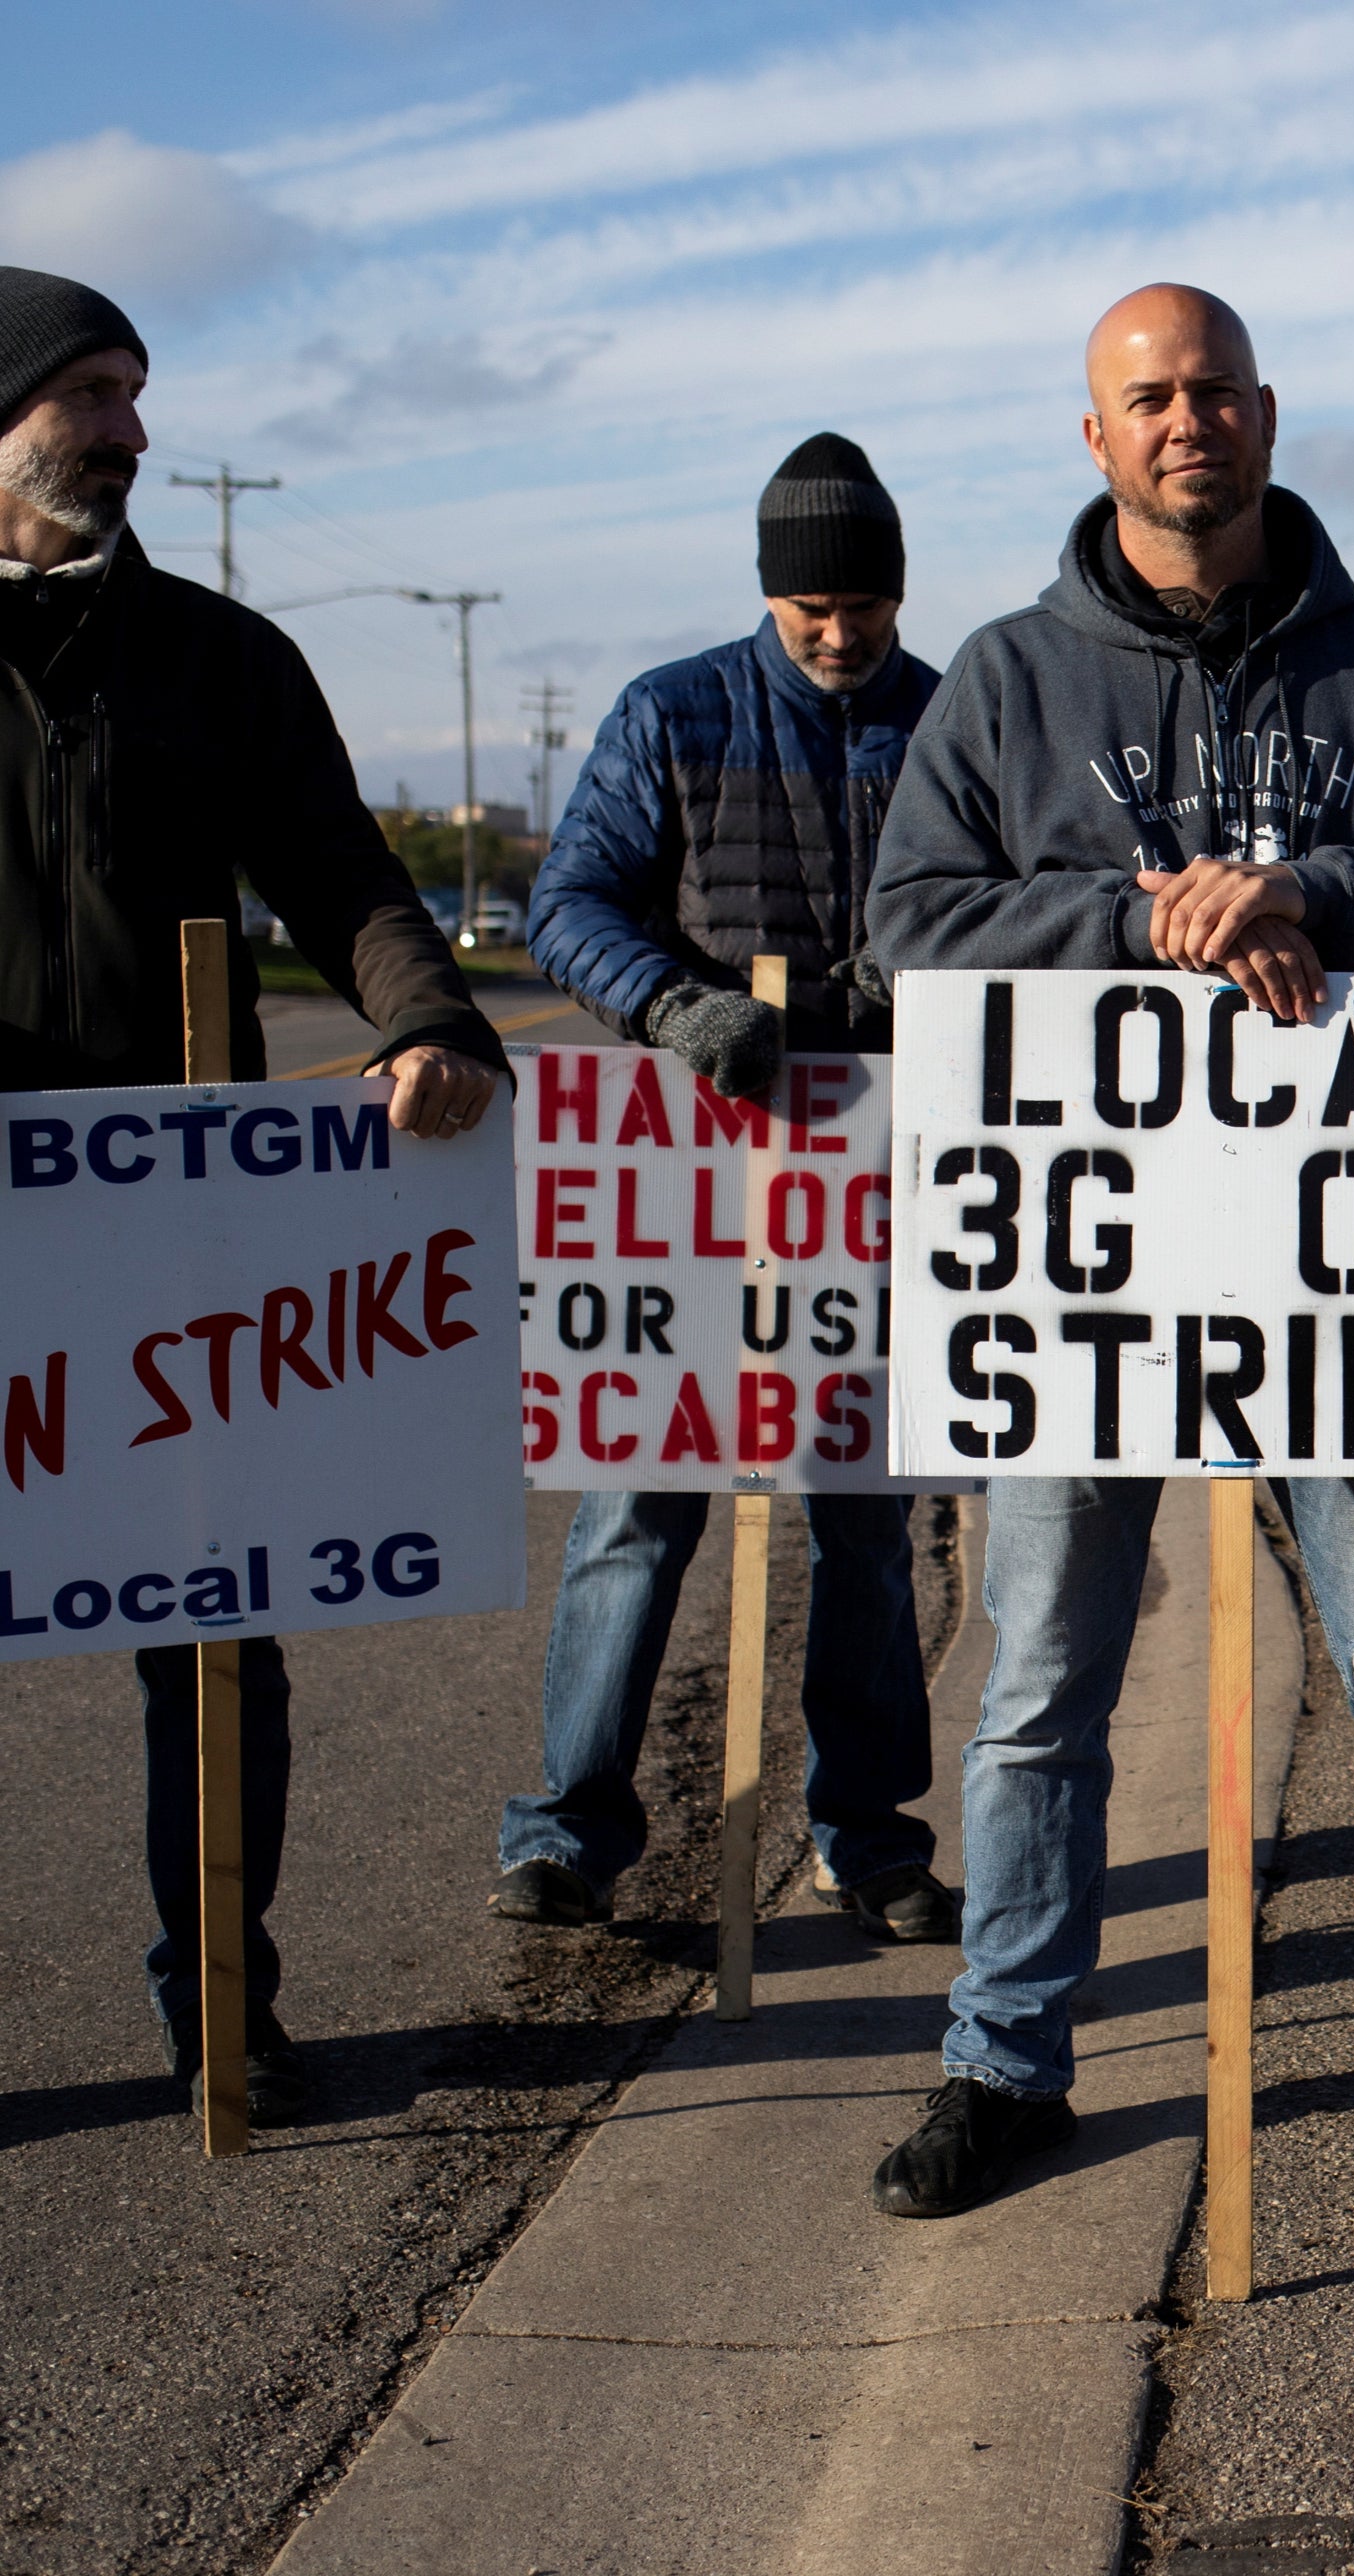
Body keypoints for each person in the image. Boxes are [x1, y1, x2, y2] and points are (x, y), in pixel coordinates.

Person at [863, 287, 1354, 2213]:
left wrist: (1314, 889)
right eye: (1147, 398)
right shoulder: (1011, 678)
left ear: (1266, 416)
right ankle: (1005, 2054)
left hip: (1338, 1273)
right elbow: (912, 927)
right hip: (1084, 1283)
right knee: (1038, 1683)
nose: (1187, 422)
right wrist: (1145, 914)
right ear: (1094, 437)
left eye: (1214, 392)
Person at [0, 268, 508, 2127]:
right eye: (87, 397)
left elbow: (348, 878)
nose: (129, 431)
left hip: (171, 1232)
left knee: (214, 1624)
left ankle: (219, 1992)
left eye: (136, 394)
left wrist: (432, 1022)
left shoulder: (222, 657)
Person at [495, 435, 955, 1944]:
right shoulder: (671, 711)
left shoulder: (952, 721)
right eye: (815, 603)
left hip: (879, 1161)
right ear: (771, 593)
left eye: (868, 603)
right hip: (690, 1162)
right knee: (638, 1502)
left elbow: (1018, 897)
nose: (843, 632)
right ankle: (568, 1826)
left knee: (864, 1522)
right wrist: (671, 1006)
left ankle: (869, 1836)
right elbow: (568, 903)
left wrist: (940, 958)